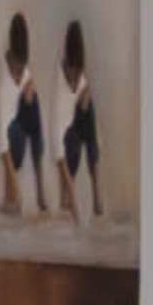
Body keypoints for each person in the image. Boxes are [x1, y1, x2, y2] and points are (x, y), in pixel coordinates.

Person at [0, 15, 44, 220]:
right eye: (17, 65)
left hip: (19, 129)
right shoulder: (3, 82)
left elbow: (28, 80)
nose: (20, 70)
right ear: (11, 56)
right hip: (6, 132)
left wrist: (30, 85)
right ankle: (10, 199)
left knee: (34, 99)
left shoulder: (24, 71)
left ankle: (35, 191)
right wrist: (14, 183)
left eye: (23, 65)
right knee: (7, 132)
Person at [54, 19, 103, 222]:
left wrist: (85, 95)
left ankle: (96, 191)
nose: (75, 77)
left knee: (87, 114)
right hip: (69, 126)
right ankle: (67, 194)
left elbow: (83, 87)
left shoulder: (80, 74)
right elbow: (57, 144)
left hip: (79, 117)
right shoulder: (61, 85)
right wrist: (73, 202)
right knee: (71, 141)